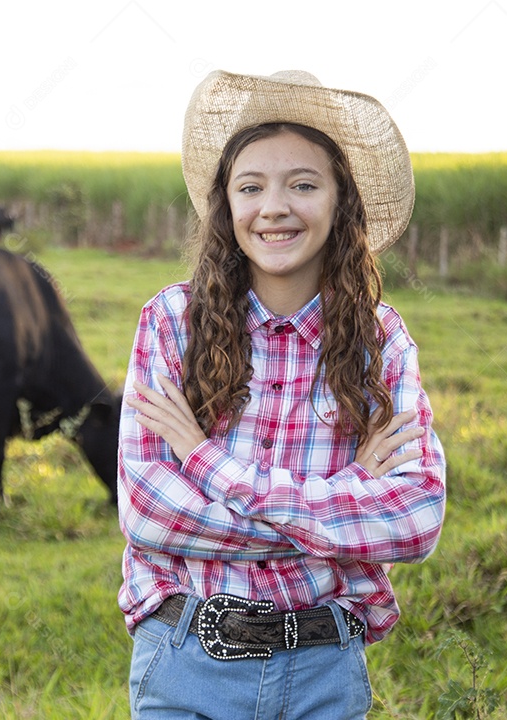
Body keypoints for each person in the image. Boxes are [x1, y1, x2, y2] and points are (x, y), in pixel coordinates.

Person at [117, 69, 447, 719]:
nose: (274, 206)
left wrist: (210, 468)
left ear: (339, 201)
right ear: (227, 206)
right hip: (187, 663)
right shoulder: (171, 323)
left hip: (323, 671)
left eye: (303, 184)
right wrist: (346, 500)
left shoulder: (380, 341)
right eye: (251, 186)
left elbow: (415, 518)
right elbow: (148, 511)